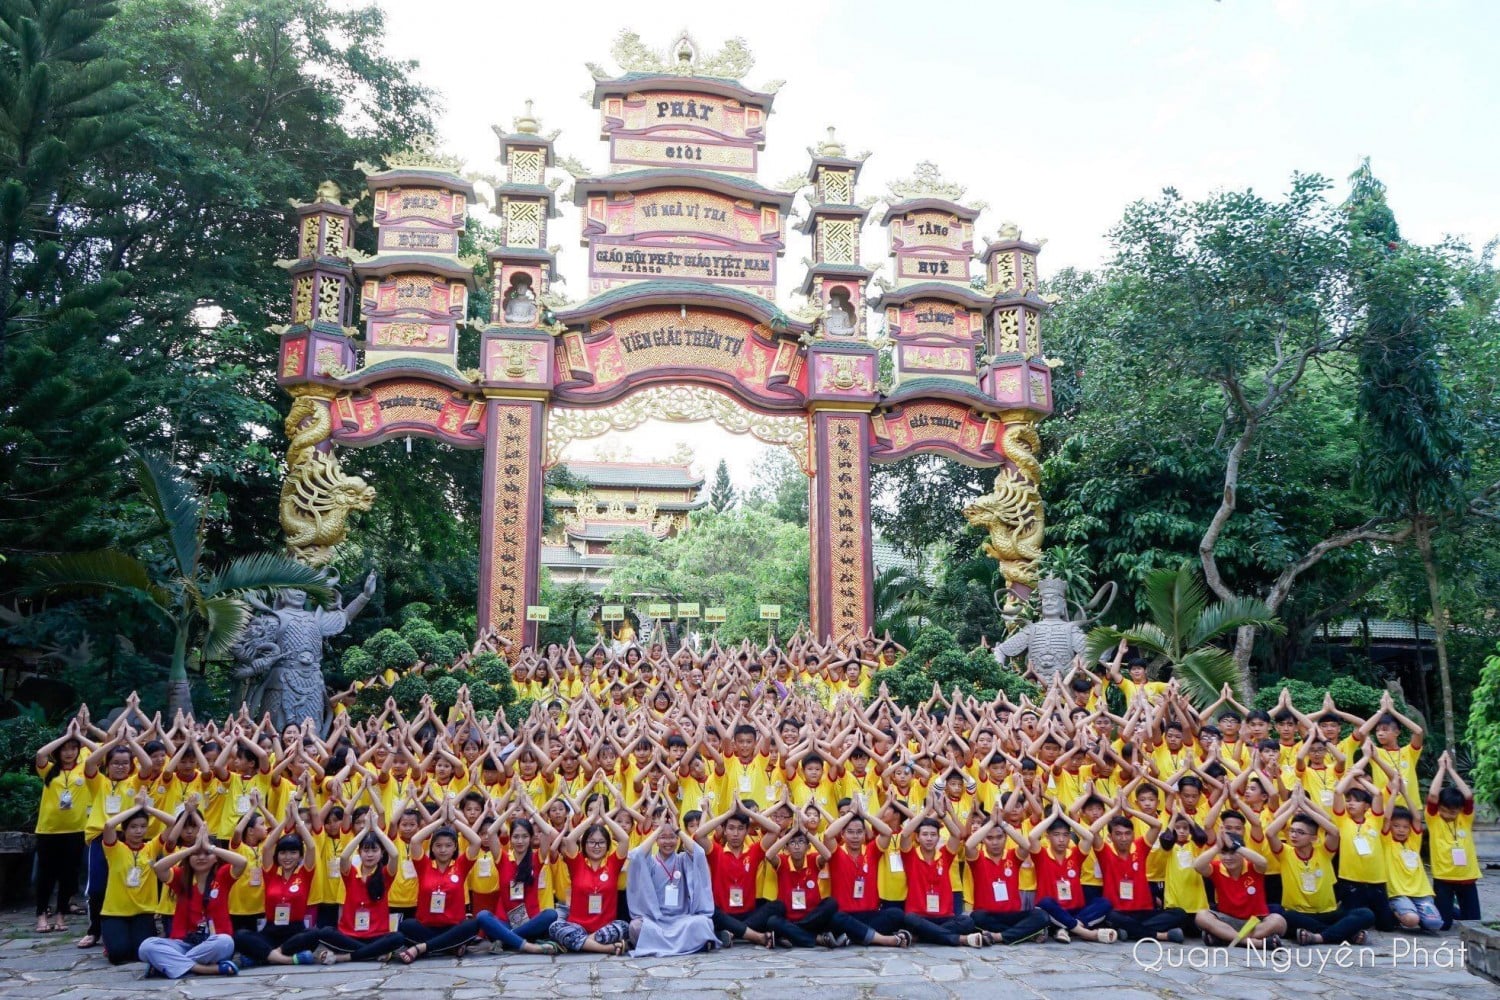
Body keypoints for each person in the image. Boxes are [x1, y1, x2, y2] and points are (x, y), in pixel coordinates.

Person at [268, 813, 408, 964]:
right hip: (350, 936)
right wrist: (363, 831)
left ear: (381, 854)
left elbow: (394, 854)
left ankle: (346, 957)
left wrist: (375, 829)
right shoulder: (351, 873)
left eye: (374, 851)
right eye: (366, 850)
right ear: (359, 853)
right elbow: (344, 857)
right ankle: (374, 953)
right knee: (325, 932)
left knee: (398, 937)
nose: (370, 855)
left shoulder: (384, 875)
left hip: (377, 936)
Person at [138, 827, 247, 978]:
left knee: (226, 942)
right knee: (146, 947)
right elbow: (159, 868)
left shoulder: (222, 875)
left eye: (207, 854)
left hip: (213, 943)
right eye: (196, 854)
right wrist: (191, 848)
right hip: (184, 943)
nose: (201, 857)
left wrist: (210, 847)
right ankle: (207, 969)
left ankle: (166, 965)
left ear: (215, 857)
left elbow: (242, 862)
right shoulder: (181, 877)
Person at [233, 799, 319, 966]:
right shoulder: (271, 873)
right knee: (240, 936)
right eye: (283, 853)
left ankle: (265, 956)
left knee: (314, 935)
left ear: (300, 856)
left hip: (295, 930)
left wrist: (296, 818)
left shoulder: (304, 873)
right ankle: (288, 959)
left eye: (293, 853)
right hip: (271, 930)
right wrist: (285, 821)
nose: (287, 857)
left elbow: (311, 847)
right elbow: (267, 847)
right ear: (277, 856)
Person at [627, 810, 719, 955]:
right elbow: (636, 855)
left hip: (682, 920)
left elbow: (699, 853)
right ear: (656, 840)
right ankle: (689, 945)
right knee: (635, 927)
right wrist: (658, 829)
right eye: (663, 837)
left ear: (678, 840)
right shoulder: (650, 862)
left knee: (703, 922)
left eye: (673, 837)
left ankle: (658, 945)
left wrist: (678, 830)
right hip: (656, 920)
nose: (668, 842)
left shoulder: (683, 859)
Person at [551, 798, 631, 955]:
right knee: (555, 928)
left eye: (601, 843)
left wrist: (605, 817)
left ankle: (581, 943)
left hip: (604, 927)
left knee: (624, 926)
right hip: (578, 926)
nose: (596, 846)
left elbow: (625, 839)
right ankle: (608, 948)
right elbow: (570, 839)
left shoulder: (613, 864)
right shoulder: (577, 862)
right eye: (591, 842)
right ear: (585, 845)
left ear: (607, 846)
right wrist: (592, 818)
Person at [34, 721, 91, 934]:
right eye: (65, 749)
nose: (69, 753)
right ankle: (41, 914)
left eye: (73, 749)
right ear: (58, 751)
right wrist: (66, 736)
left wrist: (79, 737)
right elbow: (40, 754)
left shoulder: (85, 769)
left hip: (75, 830)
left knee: (69, 875)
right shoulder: (49, 770)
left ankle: (61, 914)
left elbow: (99, 751)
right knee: (46, 874)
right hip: (48, 830)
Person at [1191, 828, 1286, 949]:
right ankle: (1252, 943)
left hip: (1255, 921)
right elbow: (1197, 866)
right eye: (1223, 853)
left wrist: (1237, 846)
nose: (1228, 858)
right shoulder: (1216, 868)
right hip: (1227, 922)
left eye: (1233, 852)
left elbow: (1263, 862)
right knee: (1201, 916)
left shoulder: (1253, 867)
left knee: (1279, 921)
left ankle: (1225, 939)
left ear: (1242, 852)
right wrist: (1216, 847)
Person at [1426, 750, 1482, 929]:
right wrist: (1442, 769)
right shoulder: (1434, 819)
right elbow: (1433, 795)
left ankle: (1451, 909)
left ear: (1459, 810)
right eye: (1444, 809)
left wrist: (1451, 769)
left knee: (1473, 923)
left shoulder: (1464, 818)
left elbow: (1468, 796)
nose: (1448, 814)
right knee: (1444, 925)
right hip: (1444, 878)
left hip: (1467, 877)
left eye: (1453, 811)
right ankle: (1445, 909)